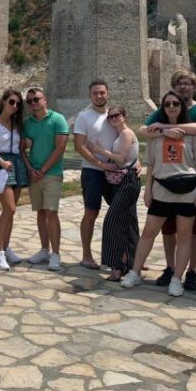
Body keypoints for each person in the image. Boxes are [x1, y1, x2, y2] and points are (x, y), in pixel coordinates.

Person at [121, 91, 196, 297]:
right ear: (163, 108)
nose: (171, 107)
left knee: (184, 236)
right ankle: (135, 272)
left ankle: (177, 279)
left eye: (175, 103)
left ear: (181, 106)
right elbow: (150, 164)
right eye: (167, 104)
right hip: (161, 189)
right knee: (148, 232)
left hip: (188, 191)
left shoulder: (194, 135)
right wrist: (148, 189)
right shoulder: (155, 134)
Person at [138, 70, 196, 290]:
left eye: (188, 83)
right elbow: (143, 130)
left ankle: (191, 271)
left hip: (192, 179)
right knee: (168, 230)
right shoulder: (166, 108)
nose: (183, 87)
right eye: (179, 83)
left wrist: (165, 128)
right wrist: (163, 129)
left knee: (194, 231)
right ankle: (171, 268)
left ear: (194, 86)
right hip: (166, 180)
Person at [90, 106, 140, 281]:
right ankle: (133, 263)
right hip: (125, 180)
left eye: (116, 116)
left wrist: (100, 151)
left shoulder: (126, 133)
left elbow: (122, 158)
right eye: (110, 117)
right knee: (129, 222)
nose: (112, 119)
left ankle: (117, 266)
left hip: (128, 181)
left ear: (124, 116)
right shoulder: (121, 135)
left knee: (112, 221)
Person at [22, 87, 69, 271]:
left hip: (52, 173)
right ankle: (44, 249)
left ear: (45, 100)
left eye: (36, 99)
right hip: (34, 173)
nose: (34, 103)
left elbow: (60, 148)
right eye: (30, 101)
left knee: (51, 212)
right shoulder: (27, 123)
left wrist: (42, 169)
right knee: (40, 212)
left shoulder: (58, 119)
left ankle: (55, 254)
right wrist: (30, 169)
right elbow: (21, 149)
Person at [0, 89, 30, 271]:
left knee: (12, 211)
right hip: (2, 165)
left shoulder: (18, 124)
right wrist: (0, 161)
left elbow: (21, 146)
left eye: (18, 104)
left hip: (17, 164)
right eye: (11, 102)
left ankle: (6, 247)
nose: (15, 106)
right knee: (8, 208)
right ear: (3, 101)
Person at [73, 80, 117, 269]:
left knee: (121, 212)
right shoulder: (84, 117)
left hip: (115, 170)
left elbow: (127, 138)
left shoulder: (115, 116)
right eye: (95, 93)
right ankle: (87, 255)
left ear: (108, 93)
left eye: (102, 93)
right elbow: (79, 146)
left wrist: (136, 161)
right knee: (91, 212)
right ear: (90, 95)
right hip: (92, 171)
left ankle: (127, 254)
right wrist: (99, 163)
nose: (99, 96)